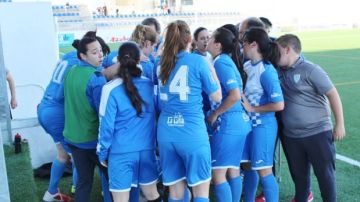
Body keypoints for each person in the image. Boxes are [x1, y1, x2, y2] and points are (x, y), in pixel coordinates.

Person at [157, 20, 222, 202]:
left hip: (166, 132)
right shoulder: (198, 61)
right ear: (189, 40)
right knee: (200, 192)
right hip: (191, 131)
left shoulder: (161, 63)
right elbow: (217, 96)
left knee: (176, 193)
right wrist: (211, 69)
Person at [276, 34, 345, 202]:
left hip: (318, 134)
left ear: (287, 49)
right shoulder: (278, 71)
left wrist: (340, 124)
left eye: (277, 51)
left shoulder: (310, 69)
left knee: (325, 176)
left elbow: (332, 94)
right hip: (292, 137)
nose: (274, 55)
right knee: (300, 180)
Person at [98, 41, 162, 202]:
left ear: (118, 60)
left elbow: (106, 126)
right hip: (147, 150)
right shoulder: (149, 85)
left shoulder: (110, 89)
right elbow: (158, 112)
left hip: (121, 153)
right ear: (139, 60)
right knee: (152, 195)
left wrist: (102, 153)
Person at [206, 27, 251, 202]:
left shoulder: (220, 63)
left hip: (229, 123)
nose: (207, 41)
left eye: (210, 39)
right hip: (239, 121)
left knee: (218, 174)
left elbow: (234, 95)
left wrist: (215, 113)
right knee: (233, 169)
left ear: (218, 45)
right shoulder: (227, 60)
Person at [63, 32, 108, 202]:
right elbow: (103, 114)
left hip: (73, 138)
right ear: (82, 55)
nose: (100, 55)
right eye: (94, 52)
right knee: (113, 181)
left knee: (83, 181)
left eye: (100, 51)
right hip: (92, 140)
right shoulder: (96, 79)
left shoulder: (72, 71)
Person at [241, 27, 284, 202]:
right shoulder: (248, 65)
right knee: (249, 166)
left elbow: (279, 104)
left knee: (264, 170)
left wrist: (253, 109)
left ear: (253, 44)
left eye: (243, 43)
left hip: (263, 126)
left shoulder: (267, 71)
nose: (241, 46)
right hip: (250, 125)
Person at [38, 43, 79, 202]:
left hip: (44, 107)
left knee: (63, 155)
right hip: (56, 113)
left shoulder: (68, 56)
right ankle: (77, 191)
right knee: (77, 156)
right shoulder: (78, 64)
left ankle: (52, 192)